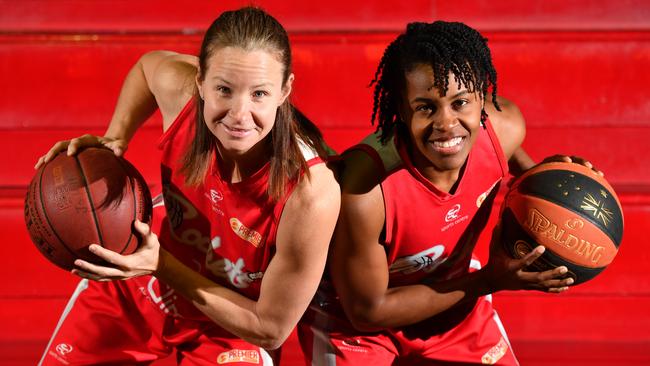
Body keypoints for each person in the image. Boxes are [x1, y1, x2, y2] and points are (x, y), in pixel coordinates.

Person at [35, 7, 340, 365]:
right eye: (224, 90)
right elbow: (148, 67)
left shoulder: (310, 191)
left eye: (259, 94)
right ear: (200, 81)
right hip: (137, 284)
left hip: (228, 322)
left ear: (285, 89)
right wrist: (115, 138)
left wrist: (160, 264)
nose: (239, 115)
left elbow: (270, 327)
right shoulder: (182, 97)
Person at [298, 21, 599, 365]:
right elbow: (368, 311)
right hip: (355, 323)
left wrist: (557, 176)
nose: (446, 124)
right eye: (426, 106)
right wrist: (488, 280)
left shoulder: (504, 129)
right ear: (401, 108)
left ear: (482, 100)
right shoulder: (364, 188)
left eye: (460, 103)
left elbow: (524, 182)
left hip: (450, 295)